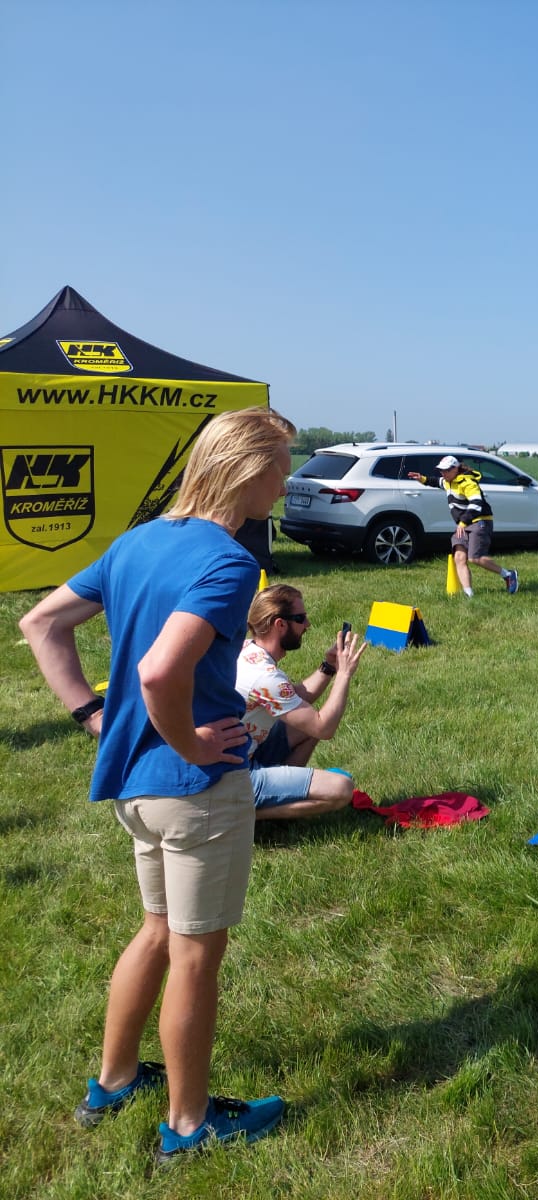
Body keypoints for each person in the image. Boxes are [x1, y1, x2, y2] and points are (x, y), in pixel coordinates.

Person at [18, 407, 295, 1162]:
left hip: (136, 789)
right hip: (195, 790)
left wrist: (91, 714)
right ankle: (189, 1123)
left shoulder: (136, 542)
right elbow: (158, 670)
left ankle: (113, 1080)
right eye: (280, 467)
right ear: (247, 468)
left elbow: (41, 624)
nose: (284, 484)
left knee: (156, 932)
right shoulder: (230, 562)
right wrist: (192, 742)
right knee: (196, 955)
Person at [237, 584, 368, 820]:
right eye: (300, 618)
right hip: (236, 776)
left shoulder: (247, 650)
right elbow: (324, 727)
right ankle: (245, 814)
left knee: (305, 726)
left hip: (243, 753)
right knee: (341, 789)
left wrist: (329, 666)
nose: (307, 625)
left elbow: (294, 698)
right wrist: (344, 674)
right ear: (280, 624)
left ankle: (282, 791)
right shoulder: (265, 677)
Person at [405, 455, 519, 596]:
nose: (443, 473)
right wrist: (421, 478)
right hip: (463, 525)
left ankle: (508, 575)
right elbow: (435, 482)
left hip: (479, 521)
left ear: (456, 469)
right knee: (459, 557)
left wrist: (463, 522)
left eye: (446, 470)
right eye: (441, 470)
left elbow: (476, 504)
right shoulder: (448, 481)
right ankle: (469, 595)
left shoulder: (467, 482)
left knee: (475, 558)